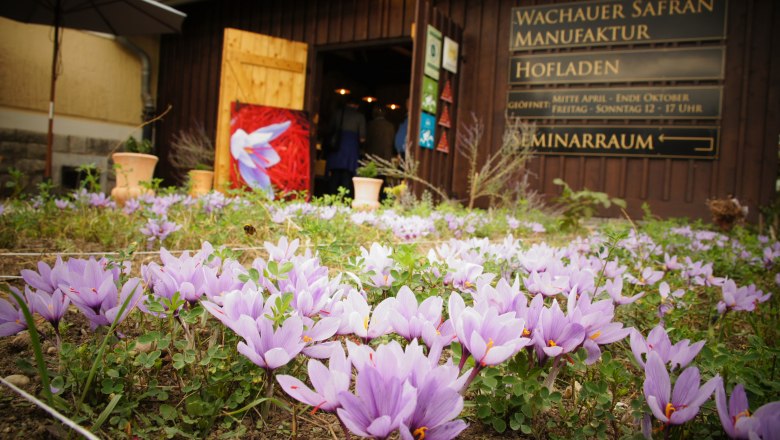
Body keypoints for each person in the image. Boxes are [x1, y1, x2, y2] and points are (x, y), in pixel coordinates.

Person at [326, 98, 366, 195]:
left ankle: (330, 200)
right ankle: (345, 201)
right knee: (347, 179)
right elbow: (362, 139)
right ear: (357, 105)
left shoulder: (337, 114)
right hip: (350, 152)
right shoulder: (360, 117)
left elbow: (329, 130)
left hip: (336, 150)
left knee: (334, 178)